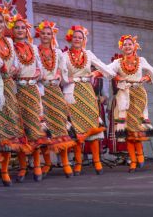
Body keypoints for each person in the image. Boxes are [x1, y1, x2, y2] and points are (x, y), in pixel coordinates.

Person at [0, 7, 32, 186]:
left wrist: (14, 69)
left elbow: (15, 63)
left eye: (0, 22)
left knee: (9, 127)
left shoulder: (9, 41)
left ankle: (4, 171)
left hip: (8, 87)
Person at [108, 35, 153, 172]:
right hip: (124, 95)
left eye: (130, 44)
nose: (127, 46)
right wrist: (116, 76)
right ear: (121, 47)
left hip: (138, 94)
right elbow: (106, 70)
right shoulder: (117, 62)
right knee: (128, 130)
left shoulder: (141, 60)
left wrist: (146, 77)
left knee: (136, 127)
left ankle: (139, 156)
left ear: (135, 46)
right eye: (125, 44)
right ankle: (133, 159)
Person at [62, 25, 115, 175]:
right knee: (77, 128)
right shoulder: (64, 56)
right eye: (75, 37)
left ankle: (97, 161)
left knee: (92, 125)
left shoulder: (89, 54)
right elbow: (61, 76)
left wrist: (96, 73)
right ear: (70, 38)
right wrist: (68, 78)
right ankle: (78, 163)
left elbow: (107, 69)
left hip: (87, 91)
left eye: (80, 37)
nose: (77, 39)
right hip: (71, 92)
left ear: (84, 40)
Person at [11, 15, 52, 182]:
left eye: (23, 28)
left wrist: (37, 72)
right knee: (20, 130)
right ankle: (22, 167)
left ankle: (36, 165)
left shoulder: (34, 49)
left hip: (33, 90)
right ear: (13, 31)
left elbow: (41, 69)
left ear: (27, 31)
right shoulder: (10, 47)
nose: (20, 30)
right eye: (17, 28)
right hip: (17, 90)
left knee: (34, 128)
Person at [36, 20, 76, 178]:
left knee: (60, 122)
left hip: (55, 90)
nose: (46, 36)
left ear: (53, 35)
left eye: (49, 33)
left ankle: (65, 162)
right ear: (39, 34)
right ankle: (47, 163)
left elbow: (63, 69)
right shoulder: (34, 50)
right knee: (44, 127)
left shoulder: (58, 52)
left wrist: (60, 74)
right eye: (43, 33)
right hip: (41, 90)